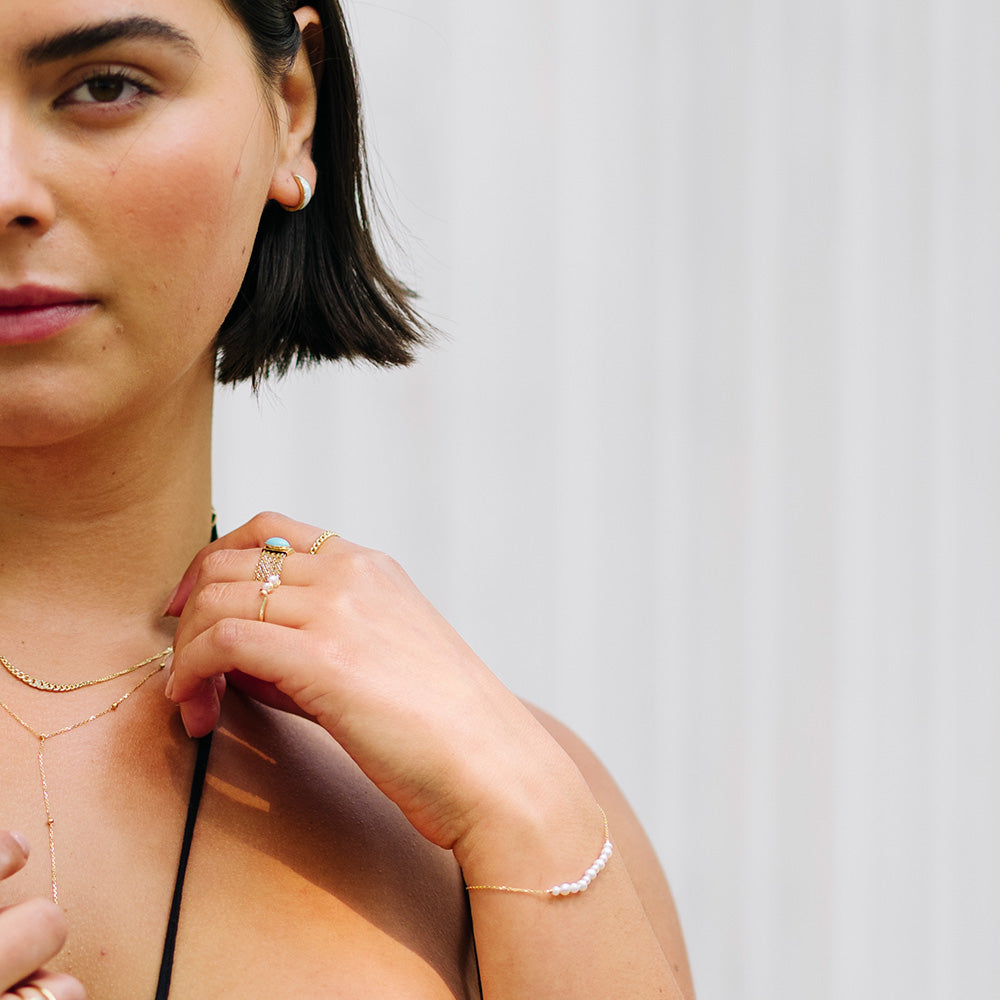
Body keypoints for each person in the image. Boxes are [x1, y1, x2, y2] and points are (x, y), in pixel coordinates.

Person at [0, 2, 695, 997]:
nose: (6, 191)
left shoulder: (499, 796)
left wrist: (531, 808)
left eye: (106, 86)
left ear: (291, 108)